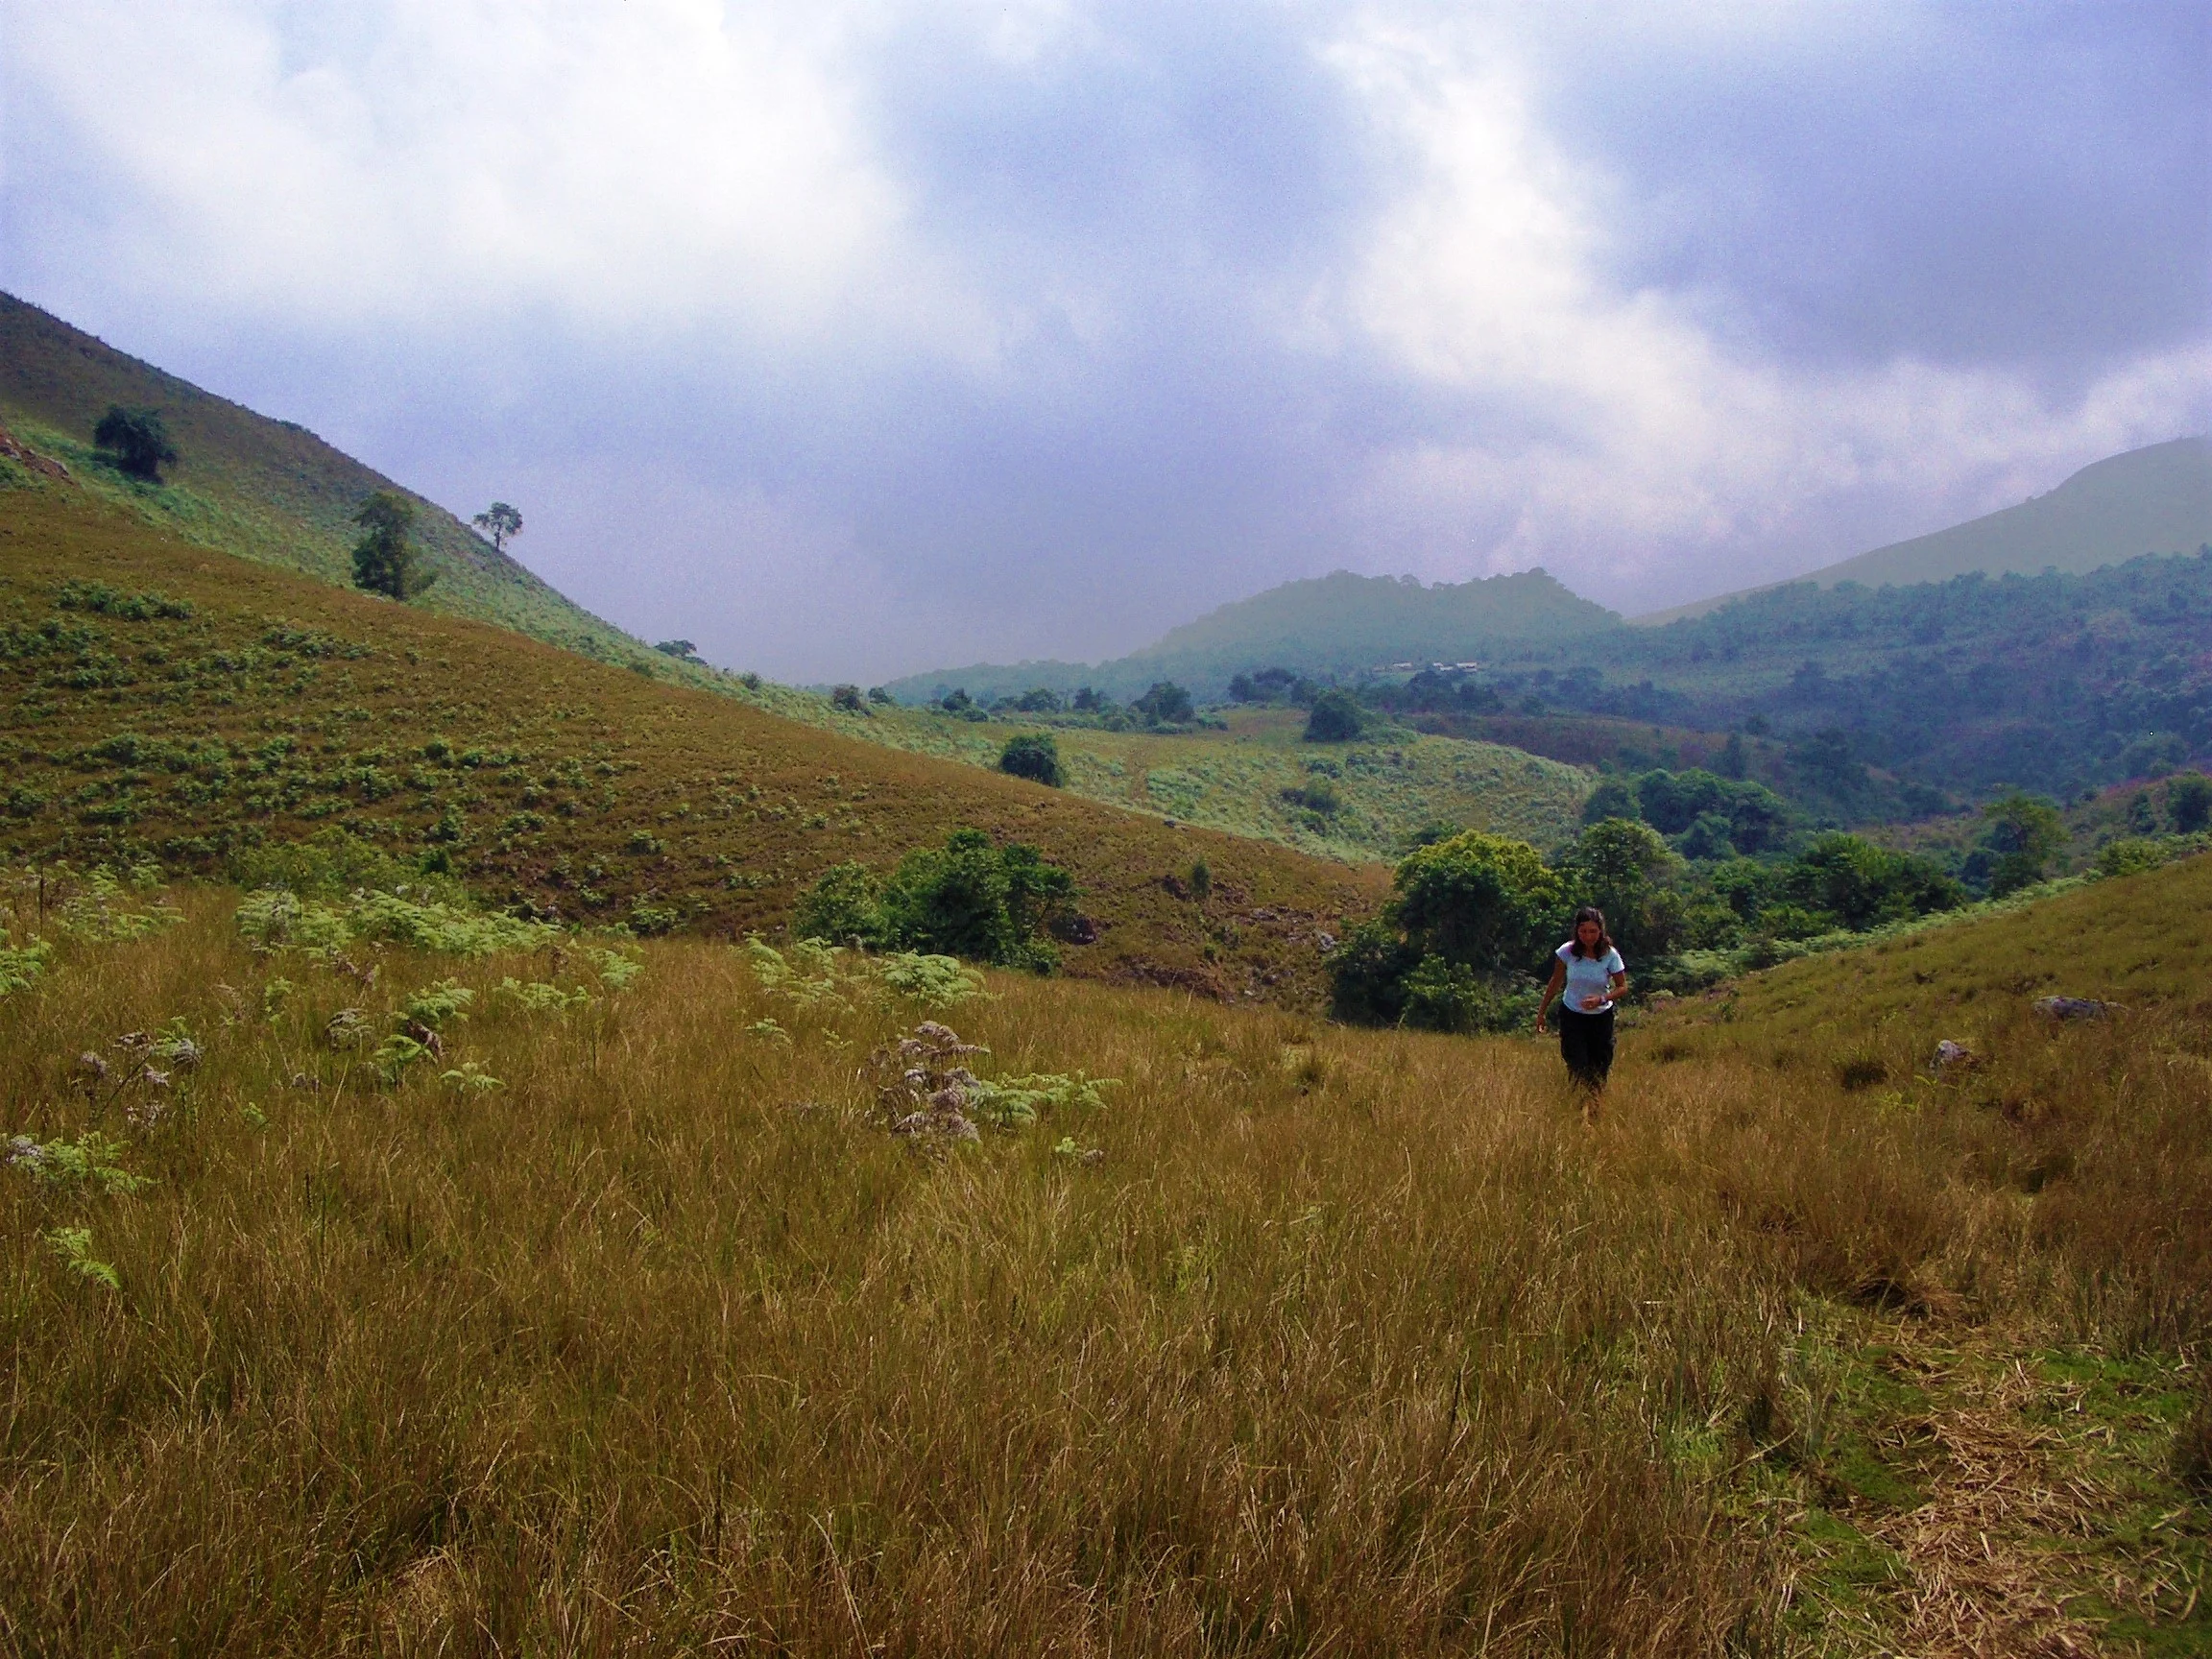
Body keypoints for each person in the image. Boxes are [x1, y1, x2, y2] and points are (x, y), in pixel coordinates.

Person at [1535, 906, 1627, 1103]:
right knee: (1577, 1064)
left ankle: (1595, 1107)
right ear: (1577, 931)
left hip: (1601, 1017)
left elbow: (1622, 987)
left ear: (1601, 931)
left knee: (1600, 1066)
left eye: (1593, 931)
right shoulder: (1567, 952)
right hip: (1572, 1015)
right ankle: (1578, 1107)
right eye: (1583, 931)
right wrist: (1541, 1012)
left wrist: (1601, 999)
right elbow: (1556, 981)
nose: (1588, 936)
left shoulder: (1610, 955)